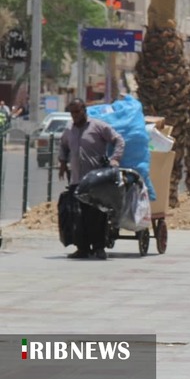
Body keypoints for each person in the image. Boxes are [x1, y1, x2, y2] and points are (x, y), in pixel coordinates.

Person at [58, 98, 125, 260]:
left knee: (96, 216)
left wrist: (115, 158)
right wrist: (62, 164)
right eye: (72, 112)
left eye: (77, 111)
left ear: (84, 111)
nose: (74, 115)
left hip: (96, 181)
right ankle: (82, 248)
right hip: (76, 181)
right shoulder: (69, 130)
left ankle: (99, 248)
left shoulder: (98, 126)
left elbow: (119, 140)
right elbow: (63, 146)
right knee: (78, 216)